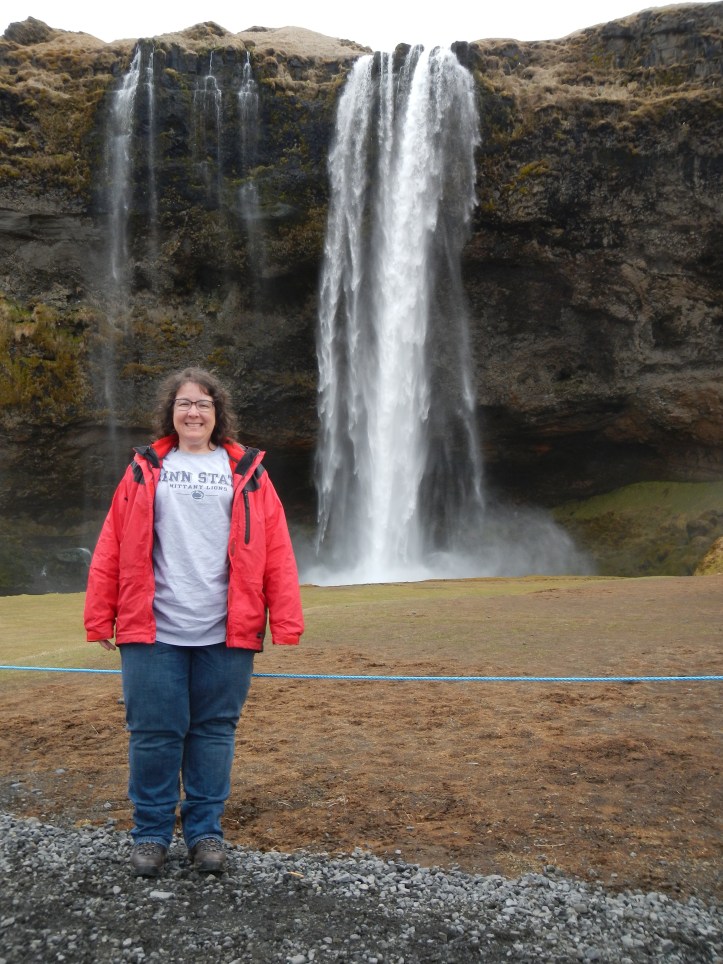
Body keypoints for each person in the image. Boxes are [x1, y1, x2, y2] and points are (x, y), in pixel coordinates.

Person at [84, 366, 304, 877]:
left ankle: (206, 831)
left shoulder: (249, 472)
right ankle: (152, 835)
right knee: (154, 734)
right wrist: (101, 618)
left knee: (213, 731)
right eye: (184, 403)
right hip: (152, 627)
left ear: (217, 413)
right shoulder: (143, 470)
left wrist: (286, 621)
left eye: (203, 404)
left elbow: (277, 551)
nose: (194, 412)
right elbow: (111, 546)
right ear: (171, 413)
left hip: (228, 629)